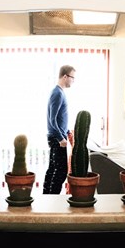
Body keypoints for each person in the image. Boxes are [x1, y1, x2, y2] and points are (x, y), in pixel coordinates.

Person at [43, 65, 75, 194]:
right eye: (72, 77)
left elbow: (59, 118)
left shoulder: (59, 92)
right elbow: (52, 119)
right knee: (60, 172)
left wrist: (67, 131)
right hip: (57, 139)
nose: (73, 81)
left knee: (53, 170)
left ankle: (47, 197)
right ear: (65, 76)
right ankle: (52, 198)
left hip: (58, 136)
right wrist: (61, 138)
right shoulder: (57, 93)